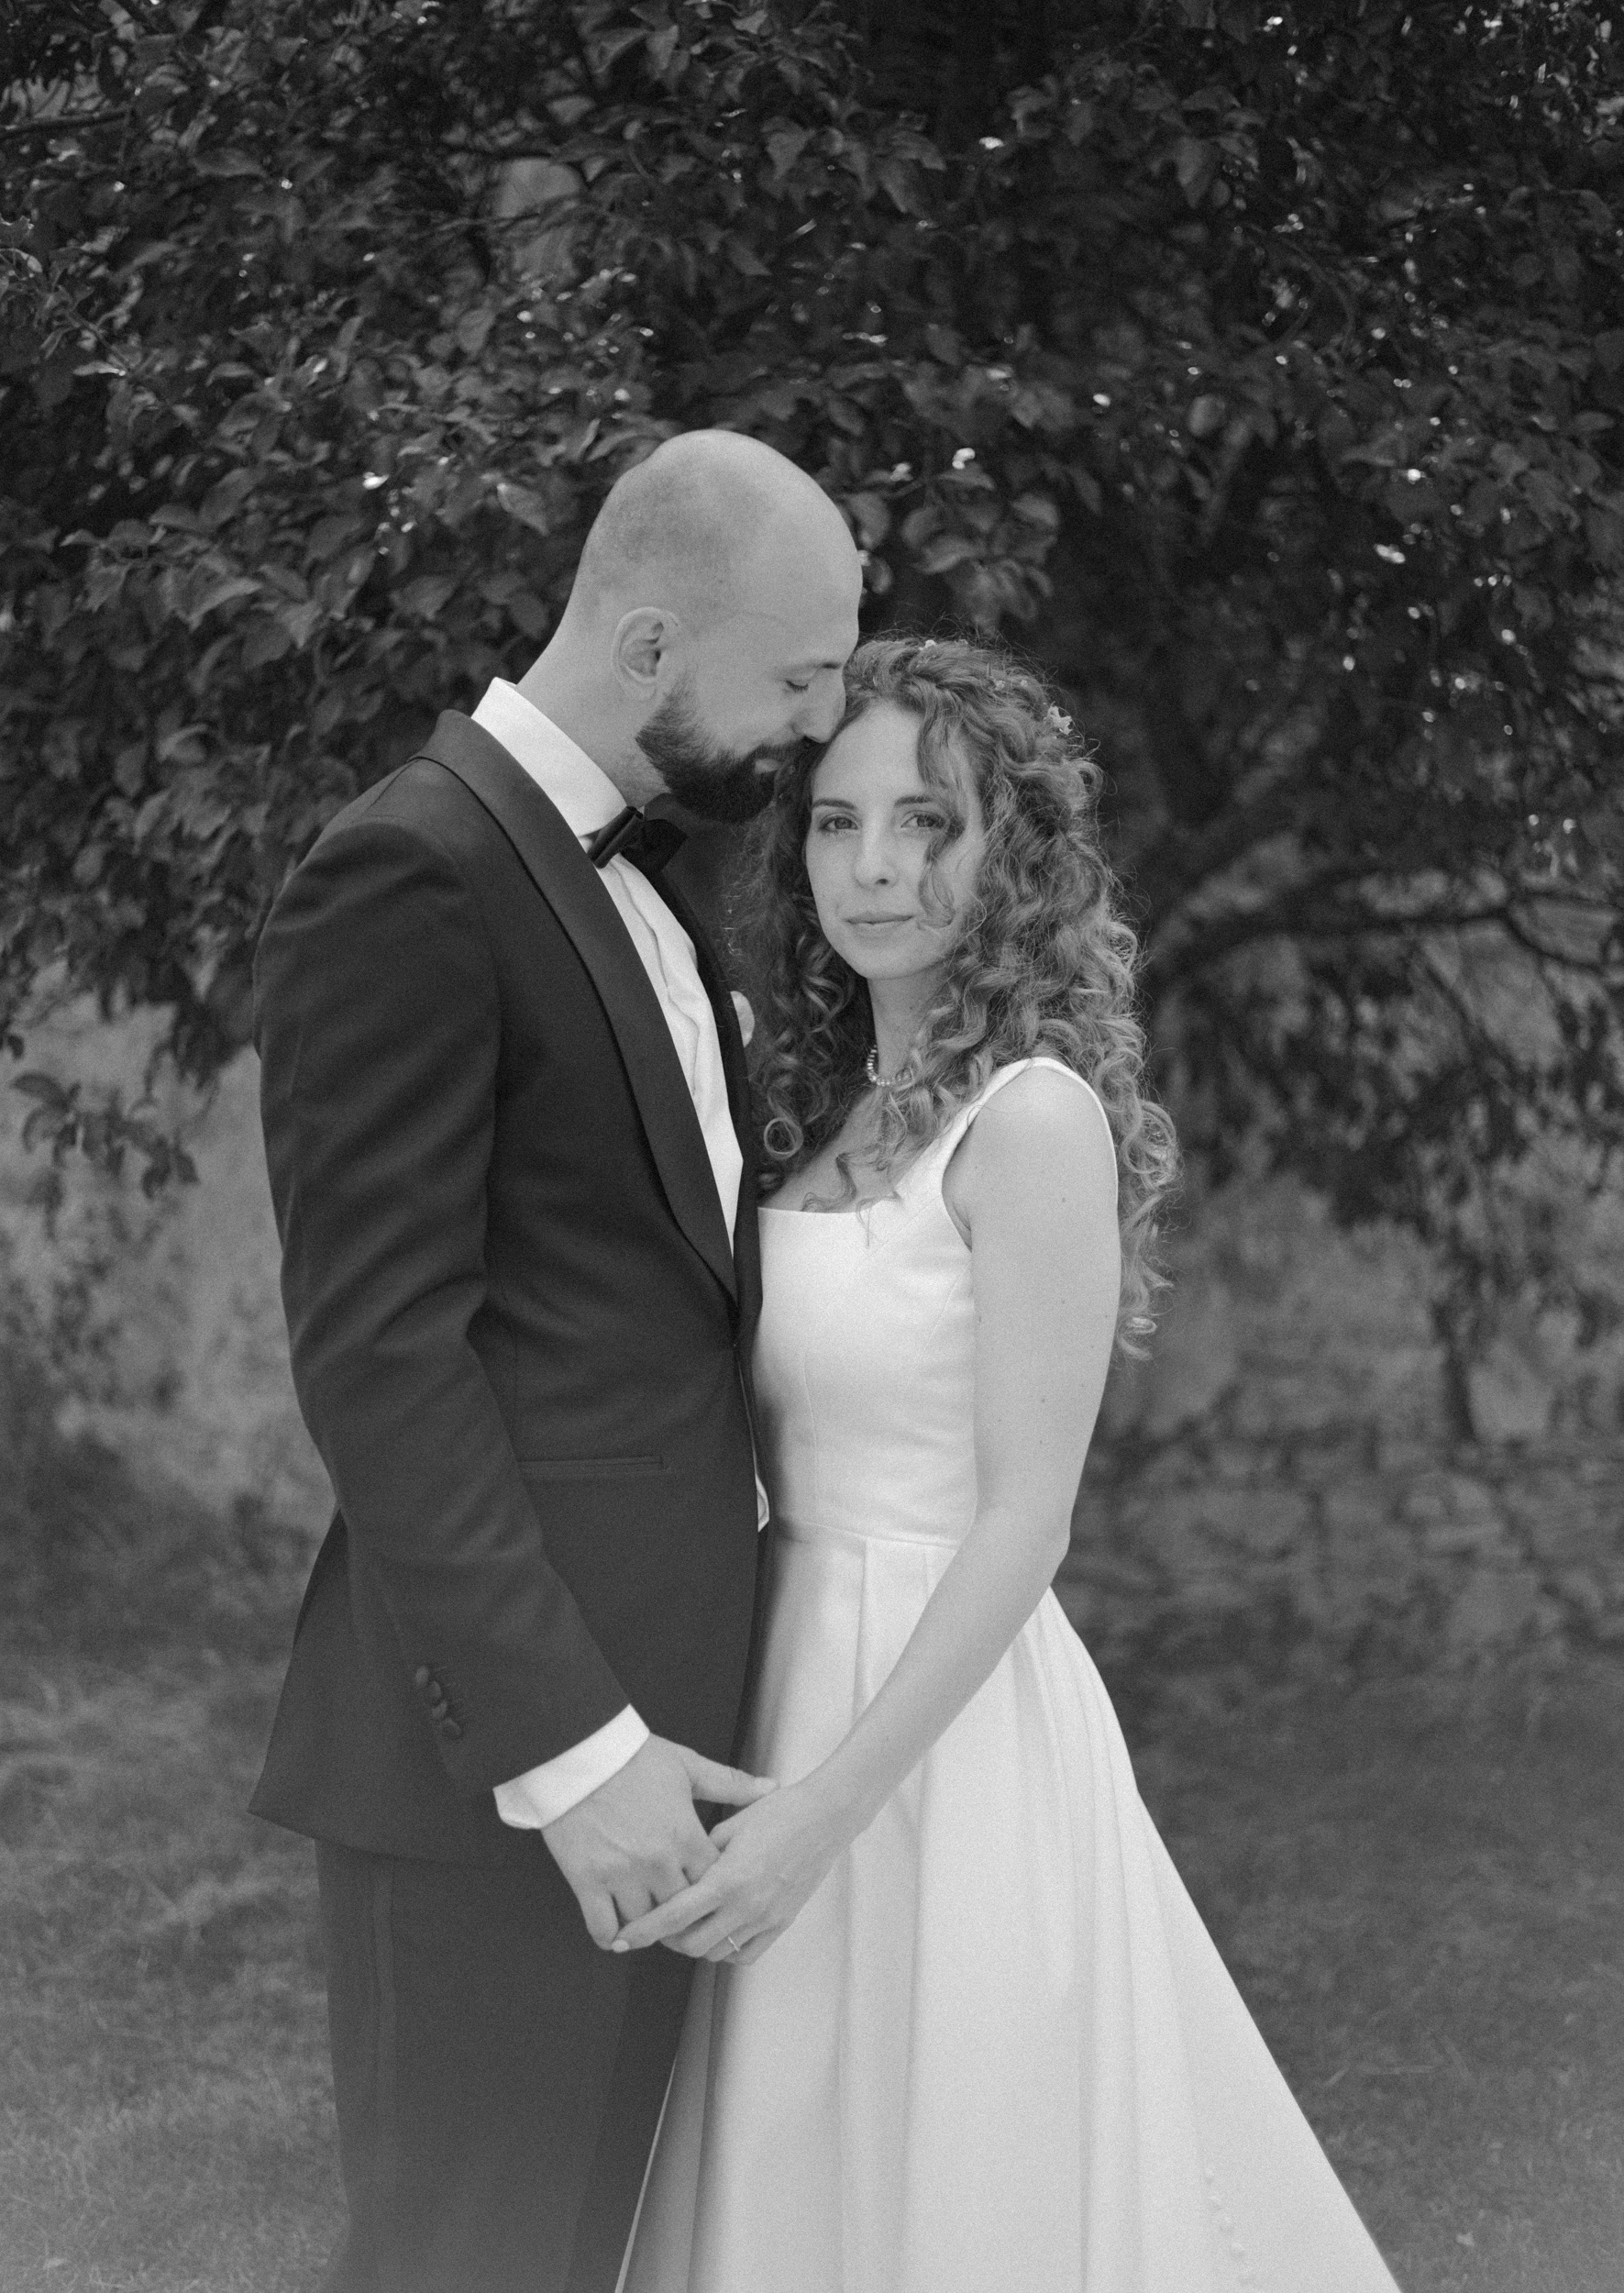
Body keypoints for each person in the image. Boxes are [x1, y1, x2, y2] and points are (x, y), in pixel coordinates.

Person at [616, 636, 1401, 2293]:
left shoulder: (1029, 1121)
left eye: (931, 822)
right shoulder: (815, 1113)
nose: (877, 867)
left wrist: (821, 1817)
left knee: (965, 2169)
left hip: (938, 1720)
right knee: (793, 2153)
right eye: (839, 823)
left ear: (1011, 855)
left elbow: (1027, 1524)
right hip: (779, 1666)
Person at [249, 430, 864, 2293]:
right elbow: (382, 1361)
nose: (817, 727)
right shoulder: (409, 872)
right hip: (510, 1774)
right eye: (797, 680)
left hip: (673, 1747)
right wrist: (571, 1754)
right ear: (651, 643)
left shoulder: (646, 886)